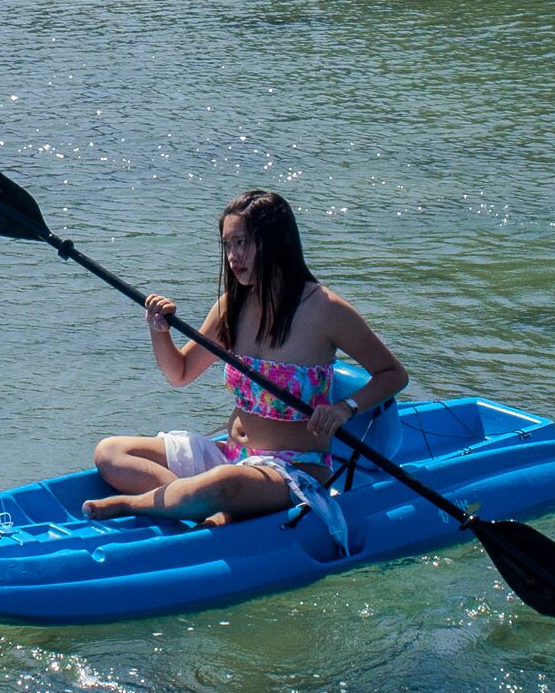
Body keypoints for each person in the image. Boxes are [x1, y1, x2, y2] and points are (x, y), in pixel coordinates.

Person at [85, 189, 407, 527]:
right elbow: (179, 373)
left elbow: (393, 374)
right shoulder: (232, 306)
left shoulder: (325, 310)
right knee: (110, 452)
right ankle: (188, 501)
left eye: (242, 243)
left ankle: (138, 504)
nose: (232, 256)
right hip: (231, 456)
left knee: (223, 482)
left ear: (275, 242)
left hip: (293, 471)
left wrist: (345, 408)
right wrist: (159, 330)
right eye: (227, 245)